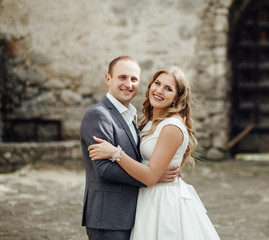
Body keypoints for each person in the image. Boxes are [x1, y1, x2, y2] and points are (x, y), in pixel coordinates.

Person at [88, 65, 221, 239]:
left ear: (177, 98)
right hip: (148, 198)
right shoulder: (150, 121)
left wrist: (115, 153)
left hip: (164, 202)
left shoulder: (172, 126)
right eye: (157, 83)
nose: (159, 90)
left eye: (168, 89)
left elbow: (150, 177)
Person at [80, 56, 180, 240]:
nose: (128, 84)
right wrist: (152, 177)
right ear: (108, 79)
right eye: (122, 77)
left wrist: (156, 168)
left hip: (132, 214)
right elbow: (104, 169)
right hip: (109, 216)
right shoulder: (98, 115)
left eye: (134, 79)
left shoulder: (132, 116)